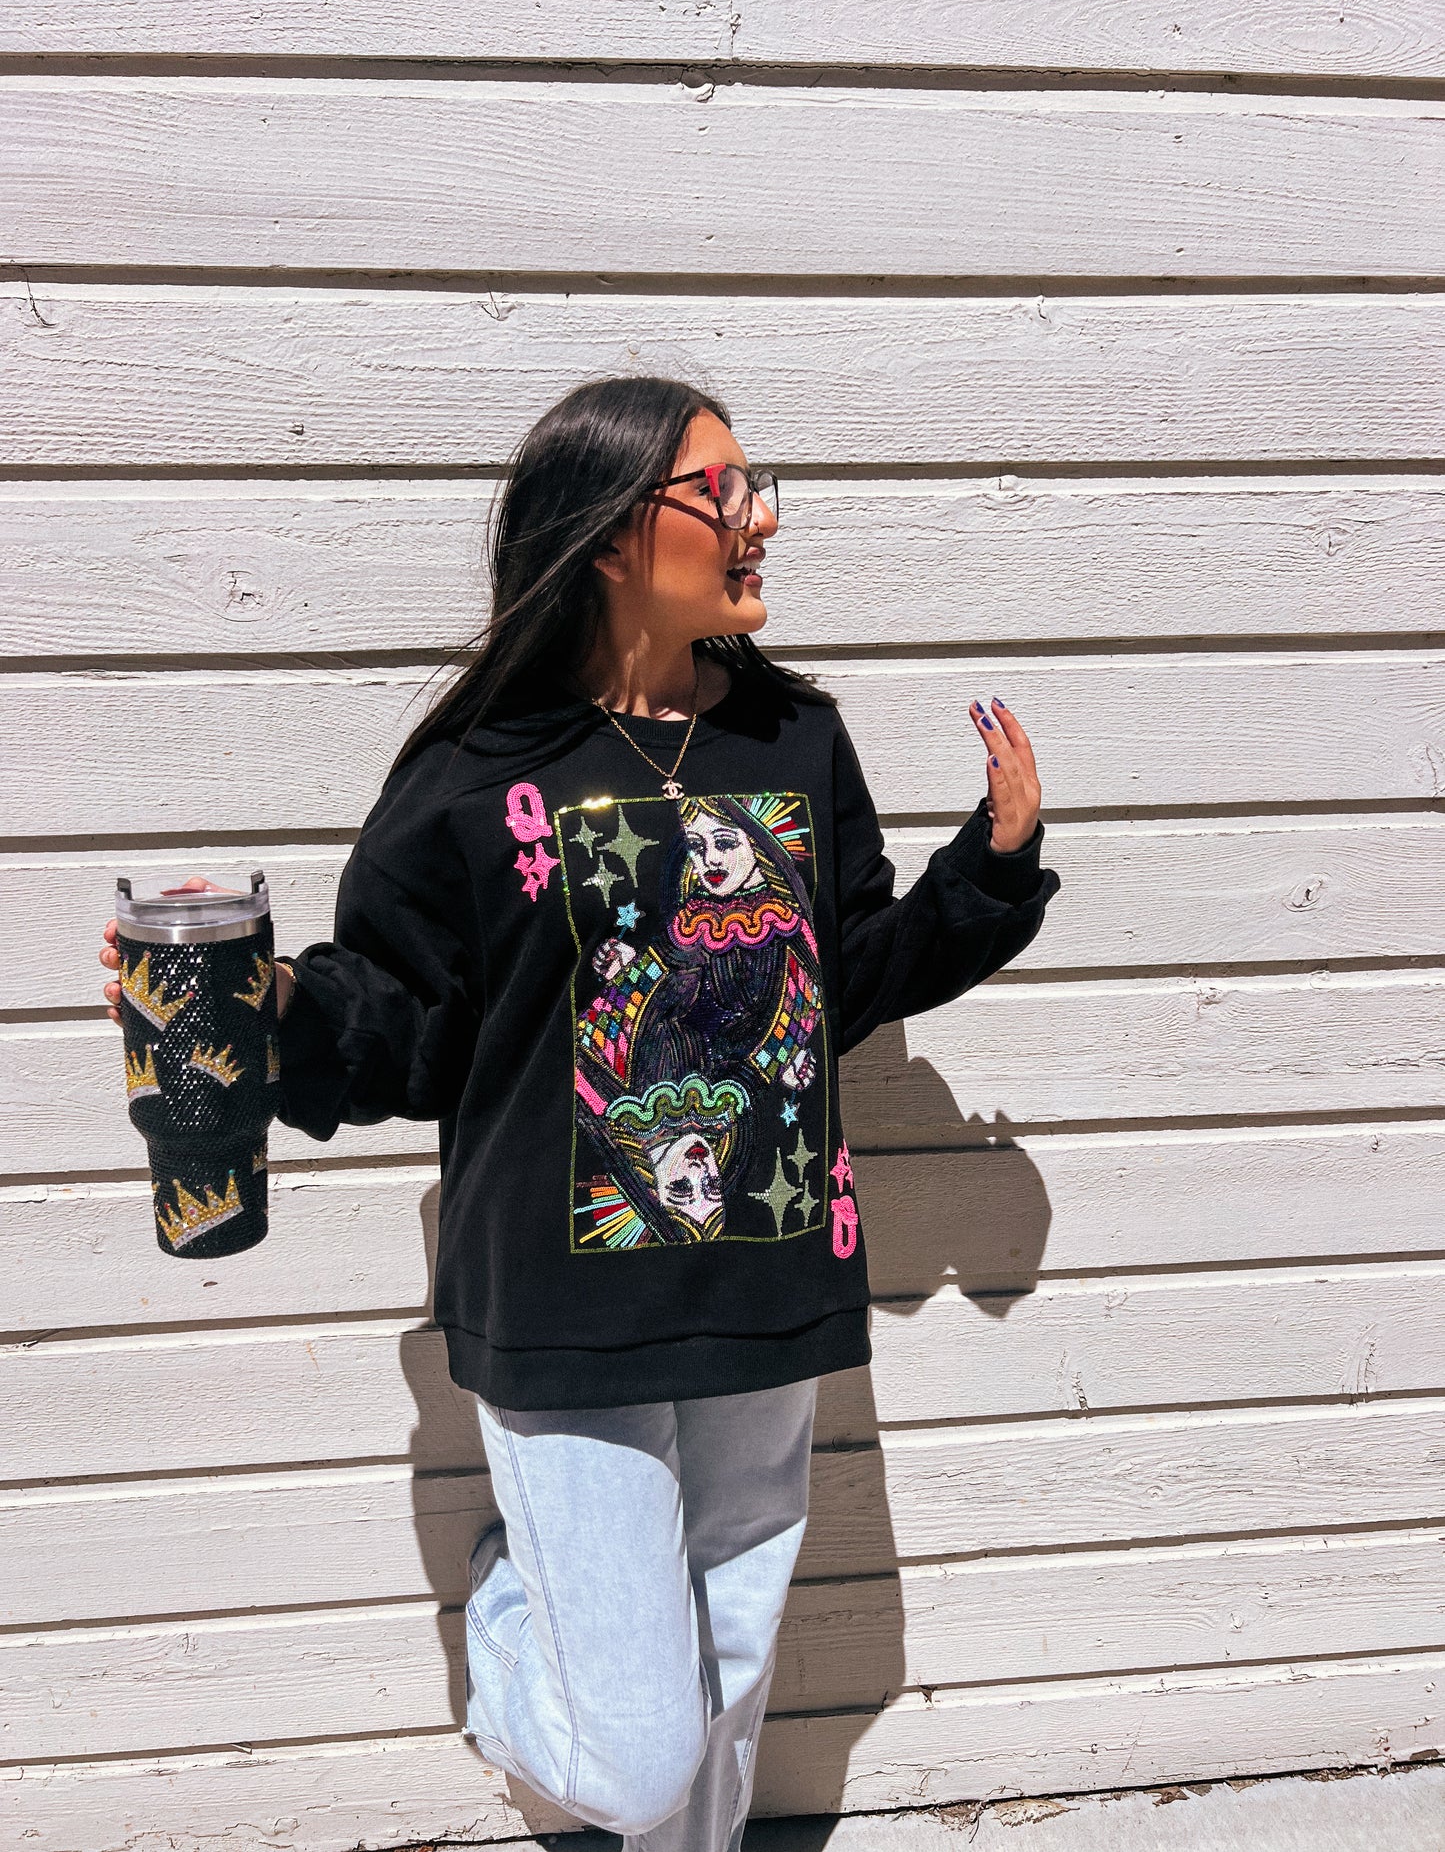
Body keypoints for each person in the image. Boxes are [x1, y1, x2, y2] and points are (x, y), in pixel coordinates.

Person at [99, 375, 1061, 1851]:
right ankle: (509, 1610)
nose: (761, 520)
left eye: (756, 488)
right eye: (721, 491)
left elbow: (845, 975)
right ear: (613, 533)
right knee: (632, 1754)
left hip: (767, 1264)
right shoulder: (478, 779)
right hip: (559, 1302)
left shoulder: (793, 742)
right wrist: (270, 1006)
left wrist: (987, 871)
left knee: (731, 1673)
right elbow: (414, 1035)